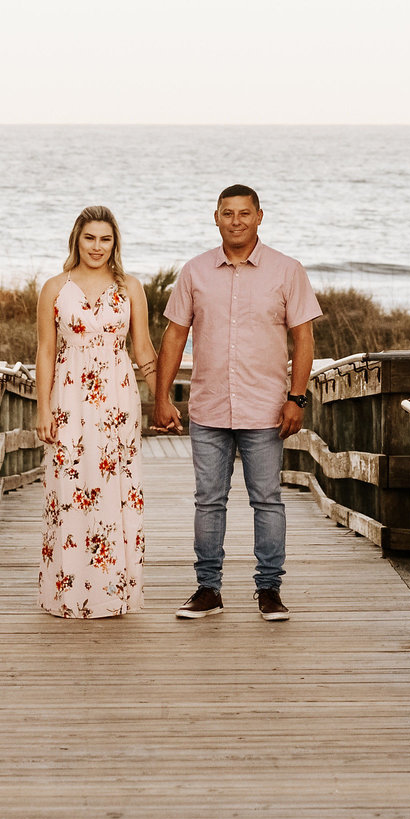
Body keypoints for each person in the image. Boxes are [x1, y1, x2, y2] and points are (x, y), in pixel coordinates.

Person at [152, 184, 320, 622]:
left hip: (266, 408)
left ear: (260, 216)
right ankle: (208, 589)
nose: (236, 221)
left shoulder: (287, 271)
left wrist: (296, 398)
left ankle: (269, 590)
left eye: (245, 213)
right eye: (228, 213)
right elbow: (174, 335)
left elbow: (304, 337)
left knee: (267, 499)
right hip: (208, 406)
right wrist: (162, 397)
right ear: (216, 217)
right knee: (209, 500)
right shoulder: (194, 272)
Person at [34, 205, 153, 618]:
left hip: (118, 403)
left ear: (114, 242)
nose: (97, 247)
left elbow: (143, 352)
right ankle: (67, 594)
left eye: (105, 239)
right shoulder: (54, 287)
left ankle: (112, 594)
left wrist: (164, 400)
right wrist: (42, 408)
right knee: (68, 489)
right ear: (76, 240)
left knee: (114, 489)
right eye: (90, 238)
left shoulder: (130, 287)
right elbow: (46, 350)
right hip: (67, 400)